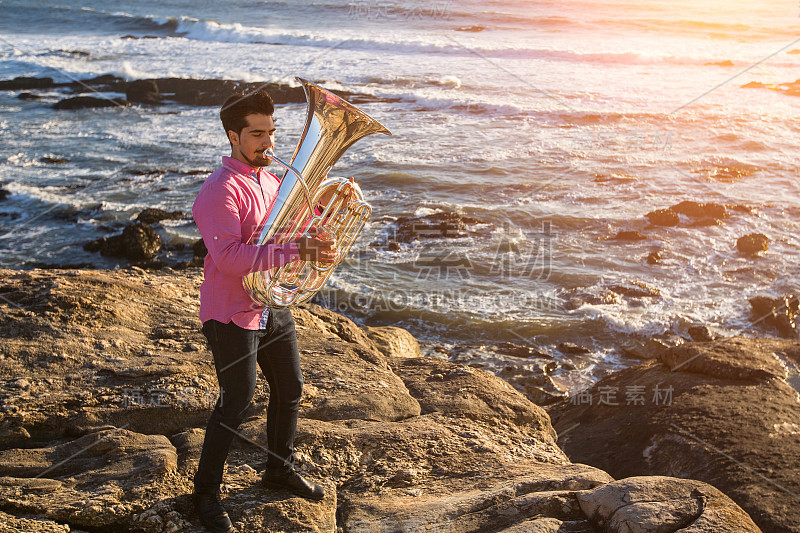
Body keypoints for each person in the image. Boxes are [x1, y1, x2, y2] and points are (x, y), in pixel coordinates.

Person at [191, 90, 336, 533]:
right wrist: (298, 247)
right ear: (234, 136)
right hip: (230, 310)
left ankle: (278, 469)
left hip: (272, 302)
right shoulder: (218, 191)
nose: (268, 142)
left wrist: (320, 236)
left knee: (291, 387)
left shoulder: (272, 181)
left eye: (271, 132)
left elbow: (297, 228)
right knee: (237, 401)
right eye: (257, 134)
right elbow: (232, 258)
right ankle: (205, 494)